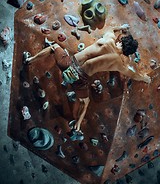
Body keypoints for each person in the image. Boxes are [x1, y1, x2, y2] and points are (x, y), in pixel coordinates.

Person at [23, 24, 151, 137]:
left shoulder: (109, 39)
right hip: (79, 79)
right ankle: (77, 126)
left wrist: (121, 28)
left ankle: (30, 60)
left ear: (120, 41)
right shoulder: (119, 63)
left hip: (68, 64)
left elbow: (112, 29)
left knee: (54, 47)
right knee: (86, 102)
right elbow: (134, 74)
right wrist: (145, 78)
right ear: (126, 53)